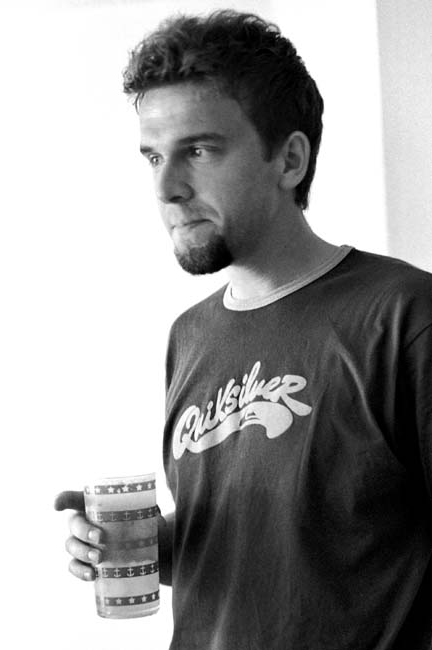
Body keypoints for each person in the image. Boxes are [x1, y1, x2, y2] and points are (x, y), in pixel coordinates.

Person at [55, 10, 432, 649]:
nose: (166, 188)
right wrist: (151, 545)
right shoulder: (190, 335)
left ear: (289, 159)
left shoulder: (404, 317)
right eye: (153, 156)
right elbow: (275, 553)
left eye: (199, 151)